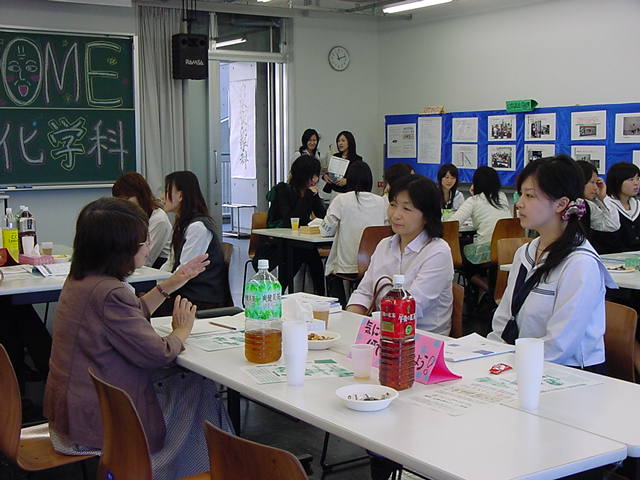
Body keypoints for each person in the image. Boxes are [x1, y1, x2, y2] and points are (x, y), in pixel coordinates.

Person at [44, 197, 232, 480]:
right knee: (196, 384)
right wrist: (181, 331)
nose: (147, 248)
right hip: (99, 422)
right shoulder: (110, 293)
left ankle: (207, 466)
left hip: (71, 412)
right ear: (118, 250)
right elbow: (159, 353)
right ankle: (198, 468)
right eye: (143, 243)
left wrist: (172, 283)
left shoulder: (81, 280)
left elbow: (131, 314)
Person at [488, 155, 615, 371]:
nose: (519, 204)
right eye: (521, 194)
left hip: (569, 373)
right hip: (520, 363)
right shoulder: (525, 253)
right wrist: (490, 356)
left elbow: (560, 346)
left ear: (561, 204)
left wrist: (510, 367)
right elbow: (503, 319)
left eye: (530, 196)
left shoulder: (580, 263)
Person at [347, 174, 453, 335]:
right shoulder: (384, 245)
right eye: (393, 205)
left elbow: (410, 308)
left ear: (427, 215)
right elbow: (364, 293)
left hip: (422, 338)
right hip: (380, 331)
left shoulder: (437, 252)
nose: (395, 215)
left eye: (406, 209)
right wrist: (349, 323)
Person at [158, 171, 229, 316]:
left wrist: (159, 290)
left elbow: (184, 272)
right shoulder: (182, 224)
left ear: (180, 196)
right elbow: (171, 262)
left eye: (166, 191)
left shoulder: (198, 228)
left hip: (200, 299)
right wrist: (156, 285)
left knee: (145, 309)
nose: (162, 197)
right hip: (186, 293)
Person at [255, 154, 327, 295]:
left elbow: (322, 215)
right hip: (279, 241)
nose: (315, 180)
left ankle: (321, 296)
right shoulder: (284, 190)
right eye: (312, 176)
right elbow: (290, 220)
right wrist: (307, 196)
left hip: (302, 240)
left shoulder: (310, 192)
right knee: (295, 255)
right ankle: (277, 294)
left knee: (314, 260)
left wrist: (315, 197)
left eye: (316, 176)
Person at [321, 162, 388, 307]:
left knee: (329, 267)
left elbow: (326, 231)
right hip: (373, 265)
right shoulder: (381, 202)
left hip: (347, 266)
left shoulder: (341, 200)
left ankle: (339, 307)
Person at [449, 166, 511, 293]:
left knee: (460, 257)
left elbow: (452, 224)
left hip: (487, 251)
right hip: (507, 249)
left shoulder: (474, 201)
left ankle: (489, 289)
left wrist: (474, 196)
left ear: (476, 183)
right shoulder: (502, 197)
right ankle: (493, 290)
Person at [113, 172, 172, 268]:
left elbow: (146, 259)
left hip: (156, 269)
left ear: (140, 194)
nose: (123, 204)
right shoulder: (131, 216)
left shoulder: (158, 219)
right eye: (120, 200)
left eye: (127, 198)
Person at [575, 160, 620, 253]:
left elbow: (612, 225)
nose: (596, 188)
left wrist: (603, 198)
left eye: (597, 183)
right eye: (592, 182)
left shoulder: (588, 206)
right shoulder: (556, 204)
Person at [598, 162, 640, 253]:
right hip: (614, 257)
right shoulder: (606, 205)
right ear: (617, 181)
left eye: (638, 179)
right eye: (631, 179)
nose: (636, 183)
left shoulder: (637, 204)